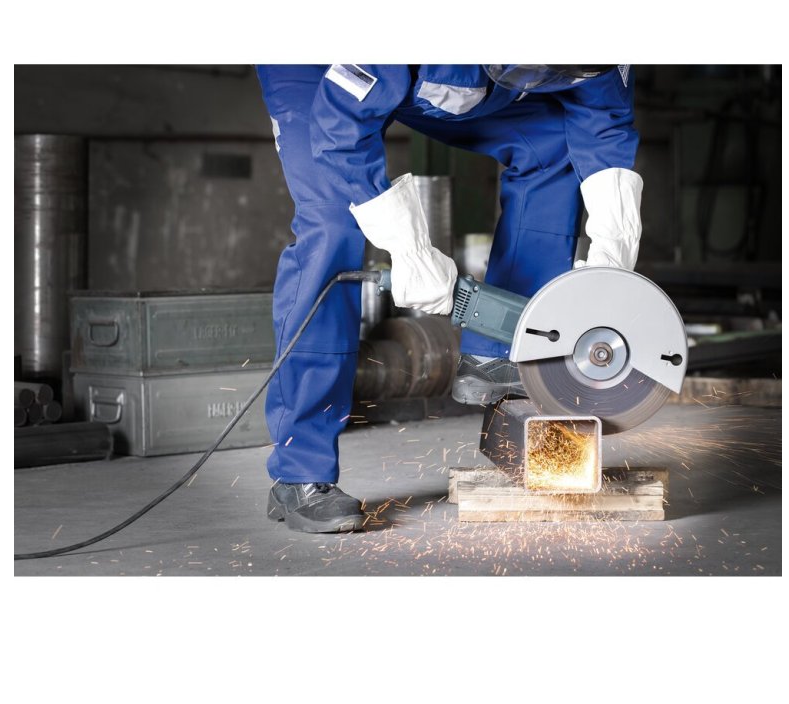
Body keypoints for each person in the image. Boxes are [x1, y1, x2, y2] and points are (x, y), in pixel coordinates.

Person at [256, 65, 643, 533]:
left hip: (434, 78)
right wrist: (408, 248)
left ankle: (501, 351)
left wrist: (614, 248)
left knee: (552, 149)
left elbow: (605, 121)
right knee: (333, 221)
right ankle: (301, 471)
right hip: (321, 73)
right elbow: (338, 127)